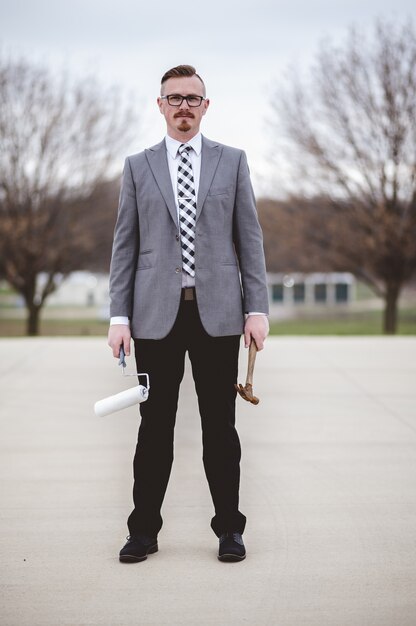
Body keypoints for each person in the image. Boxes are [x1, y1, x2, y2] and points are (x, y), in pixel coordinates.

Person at [107, 64, 269, 563]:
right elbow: (125, 246)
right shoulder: (139, 166)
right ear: (160, 105)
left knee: (220, 428)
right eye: (173, 98)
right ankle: (143, 531)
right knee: (154, 429)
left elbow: (250, 240)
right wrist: (118, 318)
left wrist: (256, 308)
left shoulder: (233, 161)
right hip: (155, 320)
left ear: (205, 105)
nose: (183, 106)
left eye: (192, 98)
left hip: (219, 318)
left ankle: (229, 530)